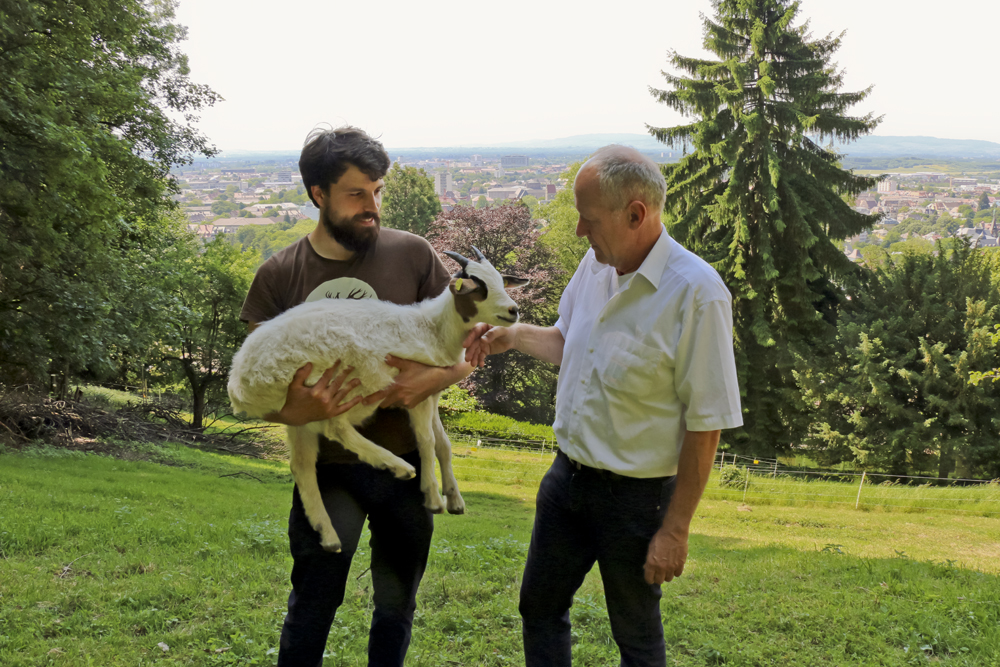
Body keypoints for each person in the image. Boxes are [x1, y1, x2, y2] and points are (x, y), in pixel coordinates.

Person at [466, 145, 743, 667]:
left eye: (588, 219)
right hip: (565, 482)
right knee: (539, 609)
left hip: (636, 503)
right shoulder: (596, 265)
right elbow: (569, 341)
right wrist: (513, 335)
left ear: (635, 214)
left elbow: (707, 424)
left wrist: (676, 529)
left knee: (636, 636)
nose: (578, 231)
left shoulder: (697, 294)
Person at [239, 125, 475, 667]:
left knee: (396, 606)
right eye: (356, 194)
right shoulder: (279, 276)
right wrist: (296, 410)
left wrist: (433, 379)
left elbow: (467, 346)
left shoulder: (414, 256)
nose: (372, 207)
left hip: (408, 469)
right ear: (318, 194)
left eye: (377, 192)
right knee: (314, 603)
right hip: (330, 468)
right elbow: (257, 385)